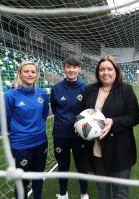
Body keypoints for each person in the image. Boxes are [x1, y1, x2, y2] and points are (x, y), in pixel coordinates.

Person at [80, 55, 139, 199]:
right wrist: (80, 126)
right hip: (97, 150)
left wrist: (114, 122)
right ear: (97, 72)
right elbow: (82, 114)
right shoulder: (89, 90)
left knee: (120, 193)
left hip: (119, 150)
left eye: (109, 69)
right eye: (101, 69)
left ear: (116, 71)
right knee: (103, 191)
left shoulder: (126, 90)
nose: (105, 72)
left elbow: (134, 117)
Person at [0, 61, 49, 199]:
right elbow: (2, 123)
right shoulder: (10, 96)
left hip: (41, 142)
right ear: (20, 73)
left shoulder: (42, 93)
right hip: (21, 146)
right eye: (26, 71)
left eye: (33, 71)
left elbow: (44, 115)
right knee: (22, 181)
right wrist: (18, 135)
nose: (30, 74)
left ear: (37, 74)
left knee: (38, 178)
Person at [50, 57, 89, 199]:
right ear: (64, 68)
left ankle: (84, 193)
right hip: (60, 134)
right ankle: (63, 193)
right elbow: (55, 109)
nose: (71, 70)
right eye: (68, 66)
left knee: (81, 165)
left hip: (80, 134)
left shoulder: (86, 88)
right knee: (63, 165)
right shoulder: (56, 88)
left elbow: (88, 111)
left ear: (79, 69)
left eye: (74, 67)